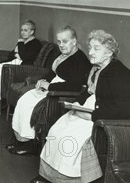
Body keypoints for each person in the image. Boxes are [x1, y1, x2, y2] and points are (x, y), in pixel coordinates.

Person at [19, 30, 130, 183]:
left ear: (110, 51)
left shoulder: (123, 75)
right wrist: (75, 105)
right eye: (90, 47)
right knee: (56, 130)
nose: (90, 52)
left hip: (101, 121)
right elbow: (87, 93)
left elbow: (124, 110)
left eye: (96, 49)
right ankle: (45, 178)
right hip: (86, 111)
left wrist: (92, 114)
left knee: (70, 139)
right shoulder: (97, 69)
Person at [7, 26, 90, 155]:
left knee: (30, 105)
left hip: (59, 94)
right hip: (51, 88)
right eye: (59, 41)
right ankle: (21, 140)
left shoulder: (80, 60)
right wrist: (42, 80)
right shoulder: (64, 55)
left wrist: (49, 87)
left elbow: (74, 86)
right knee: (24, 99)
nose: (61, 45)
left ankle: (30, 145)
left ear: (74, 41)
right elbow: (53, 73)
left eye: (65, 41)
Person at [0, 20, 42, 111]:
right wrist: (18, 54)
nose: (22, 32)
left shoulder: (35, 43)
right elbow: (11, 55)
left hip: (22, 67)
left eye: (25, 30)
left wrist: (20, 45)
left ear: (32, 32)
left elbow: (25, 57)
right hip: (15, 62)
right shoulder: (23, 41)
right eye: (21, 30)